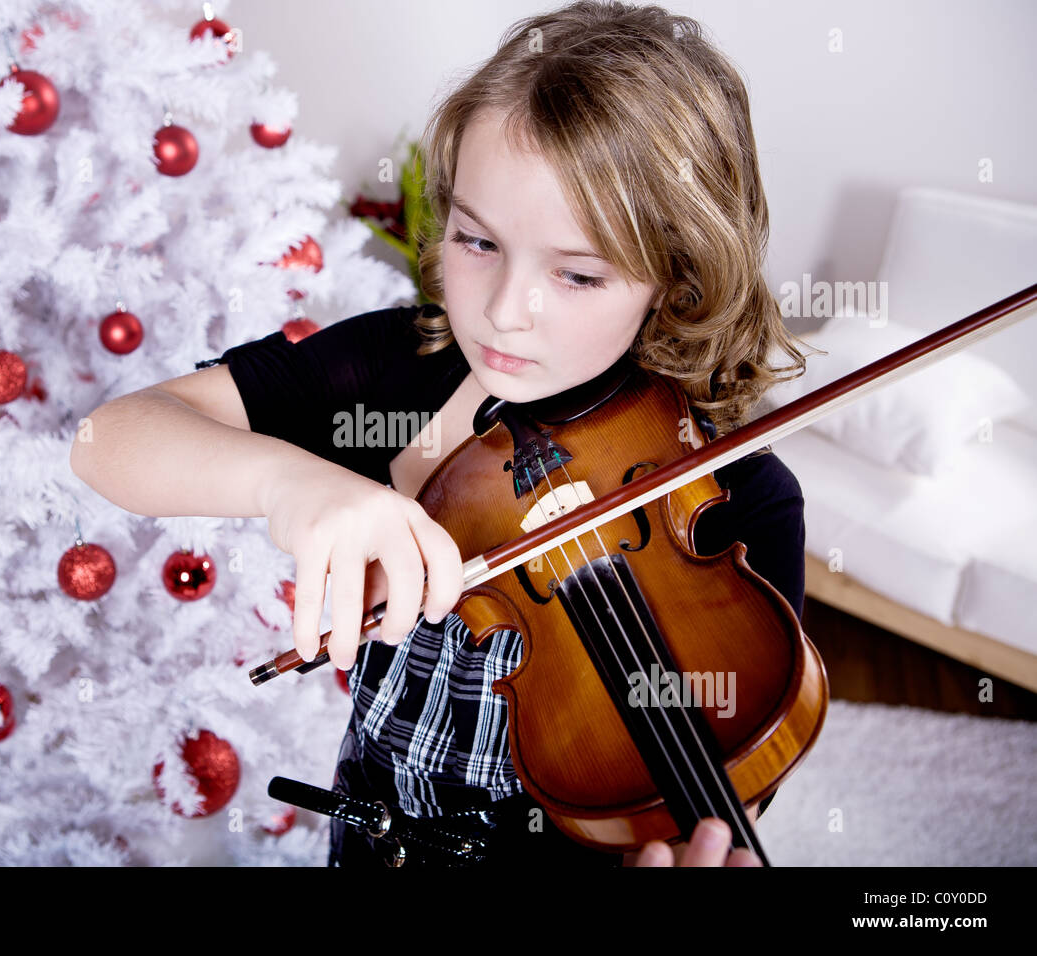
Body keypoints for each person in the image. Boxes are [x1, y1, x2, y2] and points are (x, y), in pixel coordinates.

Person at [71, 0, 810, 868]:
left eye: (575, 274)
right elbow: (105, 437)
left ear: (679, 275)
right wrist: (294, 485)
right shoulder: (404, 367)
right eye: (477, 240)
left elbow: (717, 785)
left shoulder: (733, 498)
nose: (502, 312)